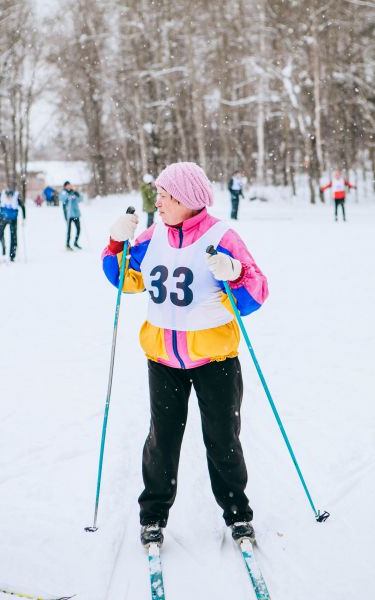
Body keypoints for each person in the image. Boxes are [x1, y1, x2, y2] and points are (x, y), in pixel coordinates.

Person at [102, 162, 268, 548]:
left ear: (185, 199)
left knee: (222, 439)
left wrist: (236, 272)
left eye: (163, 195)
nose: (156, 201)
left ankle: (238, 515)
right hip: (162, 361)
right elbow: (123, 278)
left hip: (215, 361)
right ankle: (153, 516)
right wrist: (114, 243)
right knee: (162, 440)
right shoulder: (152, 236)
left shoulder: (223, 236)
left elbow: (256, 293)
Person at [0, 187, 26, 262]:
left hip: (13, 219)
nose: (9, 198)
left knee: (13, 237)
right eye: (7, 196)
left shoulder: (16, 197)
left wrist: (24, 218)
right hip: (3, 218)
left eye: (10, 196)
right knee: (0, 234)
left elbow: (23, 206)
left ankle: (12, 255)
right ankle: (3, 246)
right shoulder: (2, 196)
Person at [59, 181, 83, 250]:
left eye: (70, 185)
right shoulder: (64, 192)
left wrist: (77, 194)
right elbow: (62, 199)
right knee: (69, 230)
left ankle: (75, 242)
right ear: (65, 186)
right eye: (68, 185)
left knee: (78, 229)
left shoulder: (73, 192)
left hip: (75, 214)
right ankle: (67, 244)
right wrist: (68, 195)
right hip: (68, 215)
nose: (69, 186)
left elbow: (80, 199)